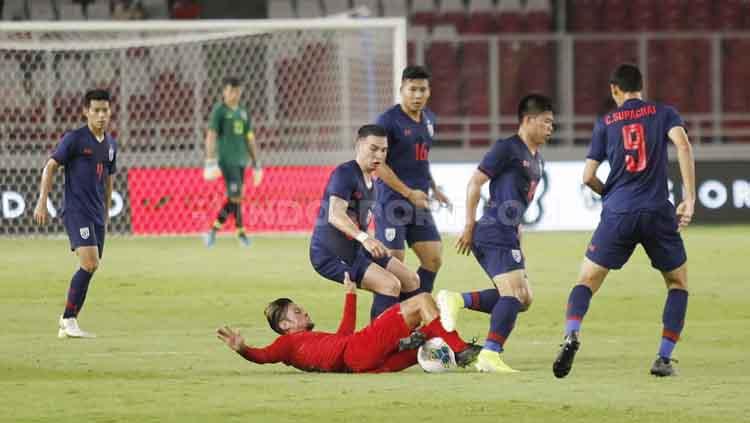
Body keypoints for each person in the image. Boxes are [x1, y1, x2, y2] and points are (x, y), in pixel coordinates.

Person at [552, 63, 695, 378]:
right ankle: (663, 358)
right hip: (657, 211)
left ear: (614, 89)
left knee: (586, 280)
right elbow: (683, 145)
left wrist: (609, 195)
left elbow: (588, 176)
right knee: (677, 282)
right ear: (641, 87)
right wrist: (690, 198)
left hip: (618, 212)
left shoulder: (606, 122)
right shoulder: (663, 112)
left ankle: (572, 333)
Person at [438, 94, 554, 373]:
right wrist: (469, 225)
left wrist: (518, 238)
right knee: (513, 294)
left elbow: (518, 204)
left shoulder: (537, 159)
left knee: (523, 298)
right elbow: (475, 182)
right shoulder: (507, 148)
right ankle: (490, 354)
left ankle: (456, 299)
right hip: (492, 230)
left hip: (508, 233)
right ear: (528, 120)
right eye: (547, 122)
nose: (551, 128)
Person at [216, 272, 481, 373]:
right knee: (422, 300)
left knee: (429, 343)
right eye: (297, 312)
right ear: (284, 325)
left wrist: (350, 295)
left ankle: (458, 355)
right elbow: (263, 356)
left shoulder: (309, 341)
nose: (304, 312)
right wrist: (243, 349)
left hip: (361, 365)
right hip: (358, 351)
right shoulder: (285, 345)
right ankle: (460, 348)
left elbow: (344, 333)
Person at [309, 124, 420, 320]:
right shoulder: (345, 173)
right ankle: (379, 346)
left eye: (384, 150)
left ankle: (403, 336)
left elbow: (358, 221)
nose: (379, 155)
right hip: (331, 253)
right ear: (359, 145)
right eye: (373, 148)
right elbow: (335, 214)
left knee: (411, 280)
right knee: (390, 285)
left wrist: (370, 241)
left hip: (356, 250)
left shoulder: (373, 182)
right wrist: (364, 238)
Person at [33, 89, 118, 339]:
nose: (101, 115)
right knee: (89, 263)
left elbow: (109, 178)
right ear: (86, 112)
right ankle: (69, 320)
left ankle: (68, 319)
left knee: (92, 266)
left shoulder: (111, 144)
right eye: (96, 111)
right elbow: (50, 167)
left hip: (95, 213)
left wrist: (107, 209)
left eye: (105, 110)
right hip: (76, 210)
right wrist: (41, 201)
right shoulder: (75, 139)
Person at [373, 65, 451, 311]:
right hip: (391, 203)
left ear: (429, 92)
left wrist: (433, 187)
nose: (417, 95)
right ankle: (379, 329)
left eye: (422, 90)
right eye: (412, 89)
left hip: (419, 201)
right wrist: (408, 193)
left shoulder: (429, 120)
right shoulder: (387, 121)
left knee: (433, 258)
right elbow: (378, 165)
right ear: (401, 90)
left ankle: (410, 312)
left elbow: (420, 159)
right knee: (393, 270)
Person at [203, 76, 262, 247]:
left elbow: (250, 139)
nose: (233, 94)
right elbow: (211, 136)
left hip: (241, 162)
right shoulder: (219, 111)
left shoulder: (243, 112)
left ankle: (225, 231)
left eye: (236, 91)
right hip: (226, 161)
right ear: (224, 91)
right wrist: (210, 161)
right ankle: (233, 232)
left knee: (236, 197)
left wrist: (256, 163)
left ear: (240, 92)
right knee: (236, 196)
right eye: (230, 91)